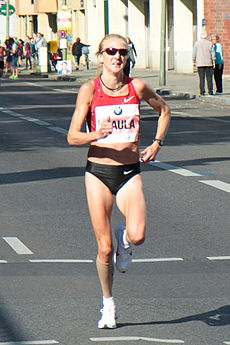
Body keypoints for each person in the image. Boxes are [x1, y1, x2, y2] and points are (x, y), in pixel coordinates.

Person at [67, 33, 171, 329]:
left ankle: (126, 242)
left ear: (128, 57)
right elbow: (72, 136)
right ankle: (108, 304)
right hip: (98, 173)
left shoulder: (137, 87)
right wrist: (95, 134)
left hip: (129, 172)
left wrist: (157, 143)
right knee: (103, 248)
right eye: (111, 51)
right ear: (100, 56)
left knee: (138, 235)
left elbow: (164, 110)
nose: (117, 57)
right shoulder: (89, 90)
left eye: (123, 52)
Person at [192, 31, 216, 96]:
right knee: (209, 78)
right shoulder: (210, 43)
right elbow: (212, 53)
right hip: (208, 63)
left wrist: (193, 61)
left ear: (200, 36)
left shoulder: (197, 43)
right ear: (206, 36)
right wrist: (213, 61)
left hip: (200, 63)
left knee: (201, 78)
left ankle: (202, 91)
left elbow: (194, 53)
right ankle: (210, 91)